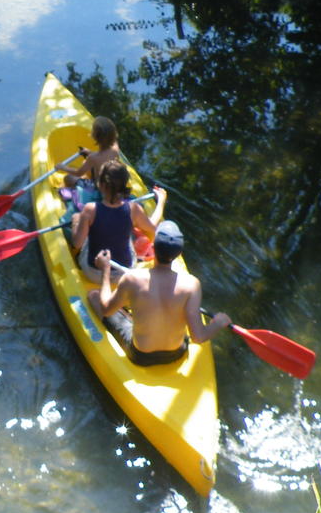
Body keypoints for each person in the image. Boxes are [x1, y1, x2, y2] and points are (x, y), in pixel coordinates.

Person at [87, 221, 234, 366]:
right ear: (179, 253)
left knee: (94, 296)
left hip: (141, 356)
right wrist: (218, 324)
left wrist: (105, 270)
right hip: (177, 353)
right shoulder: (192, 284)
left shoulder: (132, 279)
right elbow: (198, 337)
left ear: (153, 247)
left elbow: (106, 309)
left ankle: (129, 315)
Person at [68, 161, 165, 283]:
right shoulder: (134, 209)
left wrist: (76, 221)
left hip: (94, 273)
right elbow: (152, 227)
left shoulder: (89, 209)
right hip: (124, 273)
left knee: (78, 218)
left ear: (101, 185)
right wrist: (161, 201)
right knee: (129, 232)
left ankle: (75, 258)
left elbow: (77, 243)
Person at [62, 115, 120, 193]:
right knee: (86, 164)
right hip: (111, 183)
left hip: (100, 190)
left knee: (68, 178)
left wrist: (62, 167)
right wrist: (89, 152)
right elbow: (104, 157)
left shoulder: (93, 158)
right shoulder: (115, 147)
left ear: (95, 136)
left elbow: (78, 173)